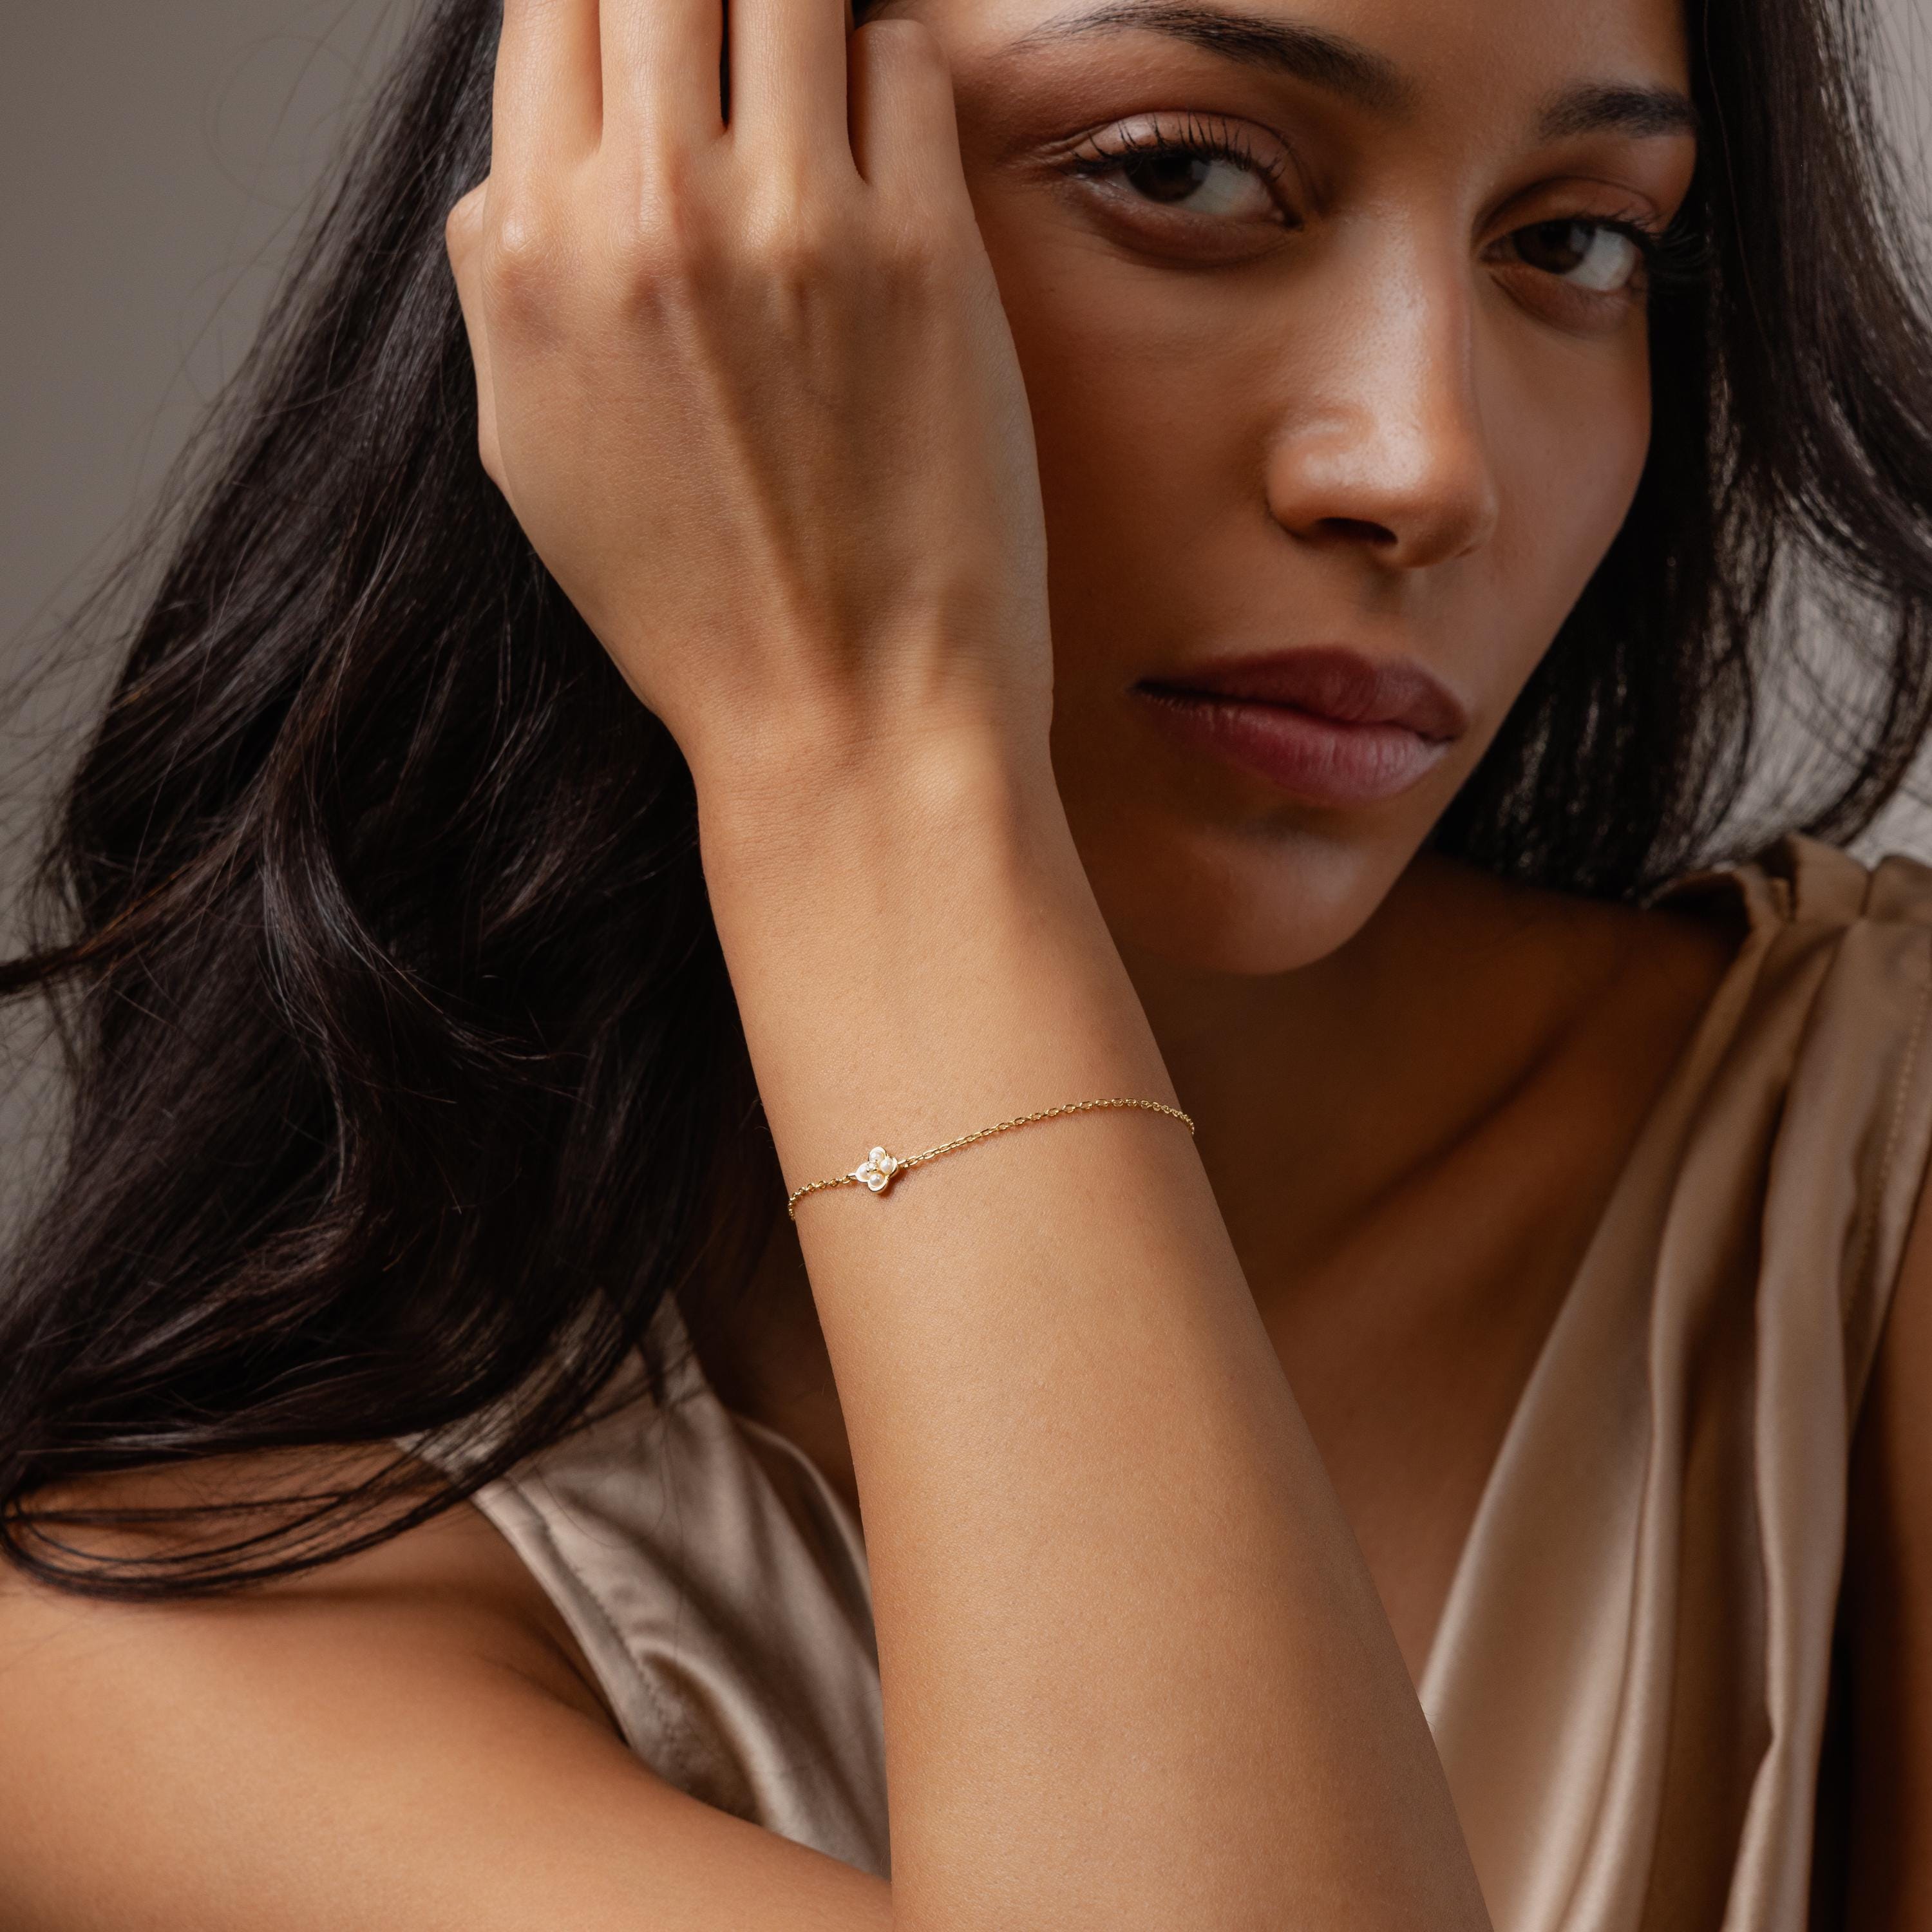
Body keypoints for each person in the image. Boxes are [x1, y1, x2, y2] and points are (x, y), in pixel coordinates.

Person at [1, 0, 1929, 1921]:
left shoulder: (1873, 1192)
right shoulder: (129, 1670)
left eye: (1575, 238)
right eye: (1183, 175)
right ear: (647, 216)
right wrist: (863, 760)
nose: (1427, 465)